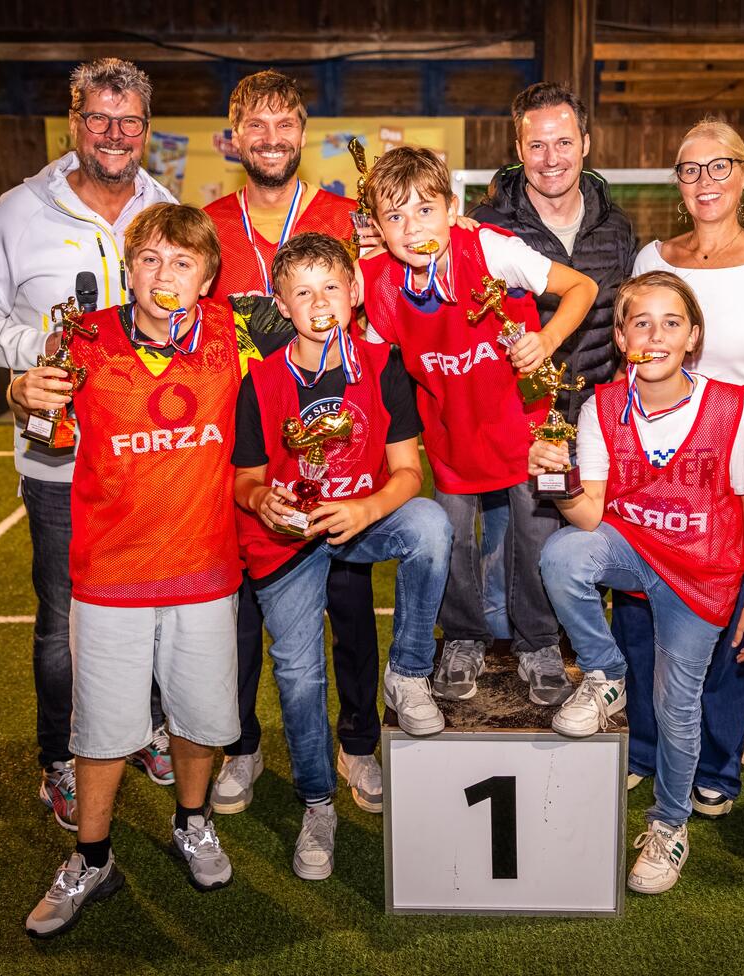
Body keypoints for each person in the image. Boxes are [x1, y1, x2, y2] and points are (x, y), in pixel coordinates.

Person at [0, 58, 176, 832]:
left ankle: (141, 731)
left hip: (149, 462)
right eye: (100, 119)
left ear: (147, 127)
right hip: (61, 463)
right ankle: (61, 761)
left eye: (130, 120)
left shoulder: (164, 209)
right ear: (74, 124)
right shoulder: (19, 211)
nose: (115, 134)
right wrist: (31, 351)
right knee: (62, 622)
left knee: (151, 606)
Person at [16, 204, 243, 936]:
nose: (164, 274)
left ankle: (194, 821)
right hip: (110, 572)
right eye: (149, 258)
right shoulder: (81, 337)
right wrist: (23, 394)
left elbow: (328, 316)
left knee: (202, 716)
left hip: (205, 567)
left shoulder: (237, 331)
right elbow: (45, 429)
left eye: (182, 261)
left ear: (208, 275)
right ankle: (93, 855)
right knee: (102, 729)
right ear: (128, 267)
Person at [534, 271, 744, 894]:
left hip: (703, 573)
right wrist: (555, 482)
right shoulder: (602, 406)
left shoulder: (728, 405)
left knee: (675, 703)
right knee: (563, 556)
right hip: (635, 552)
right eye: (640, 322)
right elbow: (590, 515)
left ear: (693, 337)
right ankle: (607, 676)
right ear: (620, 336)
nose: (656, 334)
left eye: (671, 323)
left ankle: (670, 823)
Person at [233, 232, 450, 880]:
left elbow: (409, 472)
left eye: (331, 287)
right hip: (289, 540)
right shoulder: (262, 380)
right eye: (302, 292)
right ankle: (317, 803)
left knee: (432, 527)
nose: (319, 302)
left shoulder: (383, 364)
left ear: (354, 294)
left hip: (359, 521)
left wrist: (365, 509)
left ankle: (408, 673)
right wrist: (259, 501)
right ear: (282, 303)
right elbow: (244, 477)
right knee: (298, 677)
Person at [616, 118, 744, 817]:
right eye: (690, 169)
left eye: (719, 166)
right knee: (643, 606)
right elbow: (636, 357)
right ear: (677, 182)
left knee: (731, 612)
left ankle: (718, 766)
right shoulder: (651, 258)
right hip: (661, 454)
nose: (705, 182)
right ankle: (644, 748)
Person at [202, 68, 384, 816]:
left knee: (349, 607)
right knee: (242, 616)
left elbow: (382, 315)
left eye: (285, 126)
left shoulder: (349, 216)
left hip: (337, 448)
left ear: (302, 134)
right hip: (246, 455)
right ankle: (241, 746)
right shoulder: (208, 222)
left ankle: (361, 742)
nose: (271, 140)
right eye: (257, 127)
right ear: (234, 138)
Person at [357, 146, 598, 705]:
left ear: (451, 208)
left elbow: (581, 288)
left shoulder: (488, 248)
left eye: (424, 210)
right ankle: (462, 637)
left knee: (535, 540)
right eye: (395, 217)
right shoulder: (380, 283)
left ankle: (537, 642)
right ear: (379, 229)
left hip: (527, 433)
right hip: (451, 439)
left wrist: (547, 338)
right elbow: (370, 369)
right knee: (453, 545)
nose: (412, 227)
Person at [470, 82, 639, 640]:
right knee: (511, 543)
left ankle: (576, 650)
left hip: (595, 415)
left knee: (590, 539)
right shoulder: (485, 226)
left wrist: (622, 380)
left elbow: (624, 309)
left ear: (585, 143)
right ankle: (512, 648)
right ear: (519, 149)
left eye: (563, 143)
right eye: (537, 146)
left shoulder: (615, 225)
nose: (551, 159)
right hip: (515, 416)